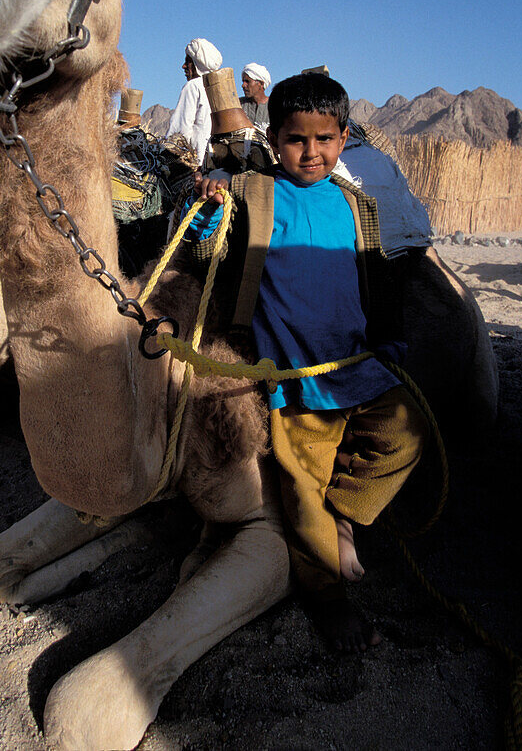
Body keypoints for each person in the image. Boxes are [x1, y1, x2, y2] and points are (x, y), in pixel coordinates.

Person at [183, 71, 428, 652]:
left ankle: (346, 512)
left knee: (406, 432)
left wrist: (387, 340)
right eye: (297, 140)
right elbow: (202, 251)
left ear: (344, 138)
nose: (311, 152)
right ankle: (328, 601)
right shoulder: (255, 193)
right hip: (295, 378)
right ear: (274, 140)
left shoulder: (353, 202)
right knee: (300, 494)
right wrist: (209, 204)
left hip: (353, 362)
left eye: (325, 139)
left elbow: (373, 275)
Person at [166, 38, 222, 163]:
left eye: (188, 62)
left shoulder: (193, 86)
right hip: (213, 162)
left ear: (198, 64)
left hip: (193, 164)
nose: (184, 66)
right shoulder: (218, 88)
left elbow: (180, 131)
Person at [240, 63, 271, 133]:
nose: (243, 85)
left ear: (261, 84)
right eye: (243, 81)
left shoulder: (275, 106)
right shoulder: (238, 105)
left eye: (247, 81)